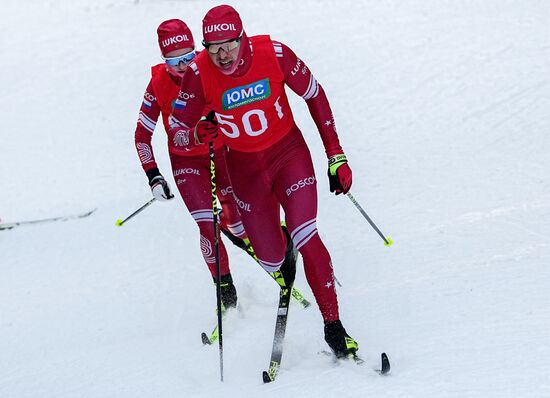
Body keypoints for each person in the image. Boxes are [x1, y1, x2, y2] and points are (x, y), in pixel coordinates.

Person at [169, 5, 358, 359]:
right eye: (214, 47)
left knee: (308, 235)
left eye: (230, 45)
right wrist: (197, 132)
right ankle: (282, 250)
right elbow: (177, 133)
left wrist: (336, 154)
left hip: (288, 155)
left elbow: (314, 94)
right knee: (272, 259)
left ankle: (334, 327)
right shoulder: (197, 73)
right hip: (244, 170)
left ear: (242, 38)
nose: (223, 55)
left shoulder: (274, 53)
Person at [134, 18, 250, 310]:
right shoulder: (158, 83)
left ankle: (259, 237)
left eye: (188, 57)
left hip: (226, 152)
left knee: (238, 222)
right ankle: (226, 292)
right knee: (206, 225)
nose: (183, 66)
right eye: (173, 61)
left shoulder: (213, 67)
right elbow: (141, 135)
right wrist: (154, 176)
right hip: (187, 161)